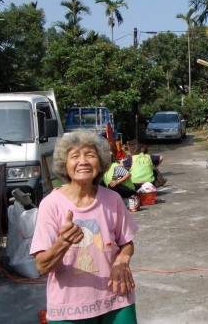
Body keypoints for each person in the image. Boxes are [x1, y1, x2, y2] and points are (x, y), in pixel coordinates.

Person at [30, 130, 139, 323]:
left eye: (90, 155)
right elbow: (42, 267)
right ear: (65, 165)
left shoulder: (112, 199)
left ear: (100, 163)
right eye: (75, 156)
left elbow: (127, 243)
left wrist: (122, 260)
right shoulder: (51, 204)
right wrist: (63, 242)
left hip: (117, 299)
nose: (84, 161)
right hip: (69, 308)